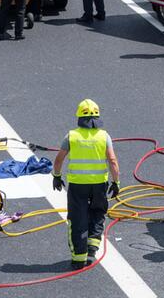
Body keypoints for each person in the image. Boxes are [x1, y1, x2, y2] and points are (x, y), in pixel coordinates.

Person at [52, 99, 121, 269]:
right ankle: (93, 245)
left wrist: (57, 176)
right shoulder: (104, 136)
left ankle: (78, 258)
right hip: (99, 184)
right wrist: (116, 181)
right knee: (98, 213)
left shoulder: (71, 136)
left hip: (77, 185)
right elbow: (112, 160)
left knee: (77, 219)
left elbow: (59, 158)